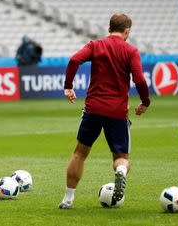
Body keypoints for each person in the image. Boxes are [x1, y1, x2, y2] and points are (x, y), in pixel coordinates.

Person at [58, 13, 151, 209]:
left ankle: (68, 199)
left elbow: (74, 60)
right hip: (117, 112)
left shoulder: (95, 45)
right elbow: (140, 80)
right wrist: (145, 101)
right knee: (121, 158)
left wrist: (68, 86)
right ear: (127, 31)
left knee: (80, 154)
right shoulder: (131, 51)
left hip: (93, 108)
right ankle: (121, 171)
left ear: (109, 29)